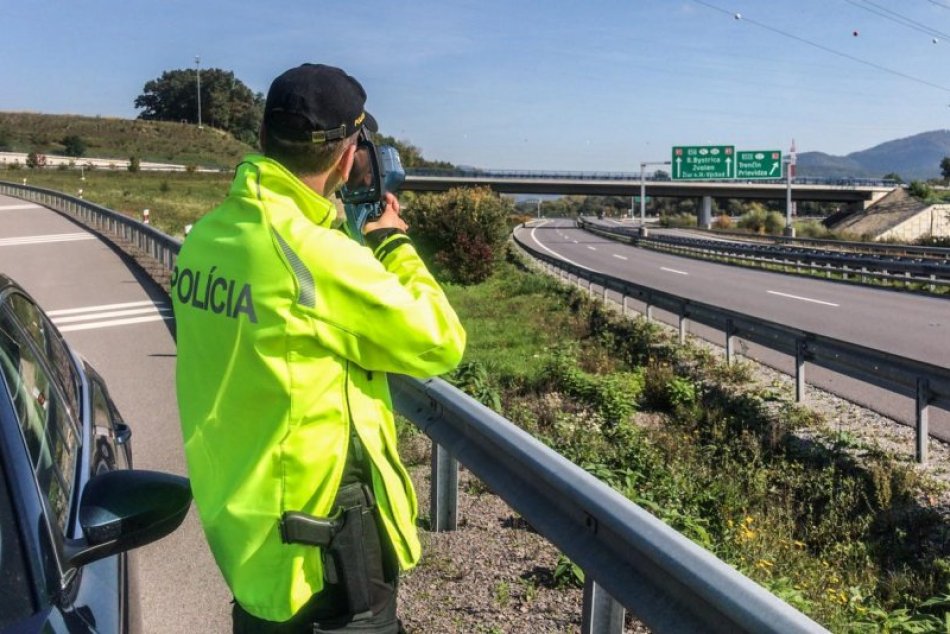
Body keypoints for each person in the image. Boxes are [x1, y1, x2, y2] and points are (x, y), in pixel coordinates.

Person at [172, 63, 466, 633]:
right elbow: (440, 340)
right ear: (347, 153)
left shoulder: (207, 239)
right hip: (323, 554)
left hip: (247, 531)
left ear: (261, 138)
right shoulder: (317, 256)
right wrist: (392, 243)